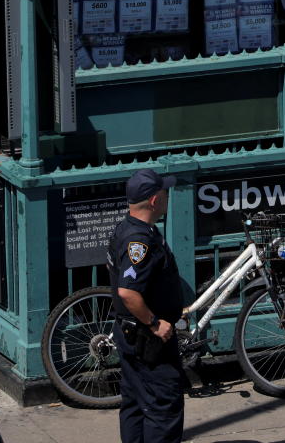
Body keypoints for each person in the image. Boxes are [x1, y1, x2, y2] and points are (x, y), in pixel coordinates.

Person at [107, 168, 187, 443]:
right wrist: (155, 323)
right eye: (164, 191)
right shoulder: (139, 241)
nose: (167, 195)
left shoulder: (127, 228)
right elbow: (128, 292)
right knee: (163, 406)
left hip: (130, 333)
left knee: (135, 402)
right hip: (147, 338)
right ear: (155, 200)